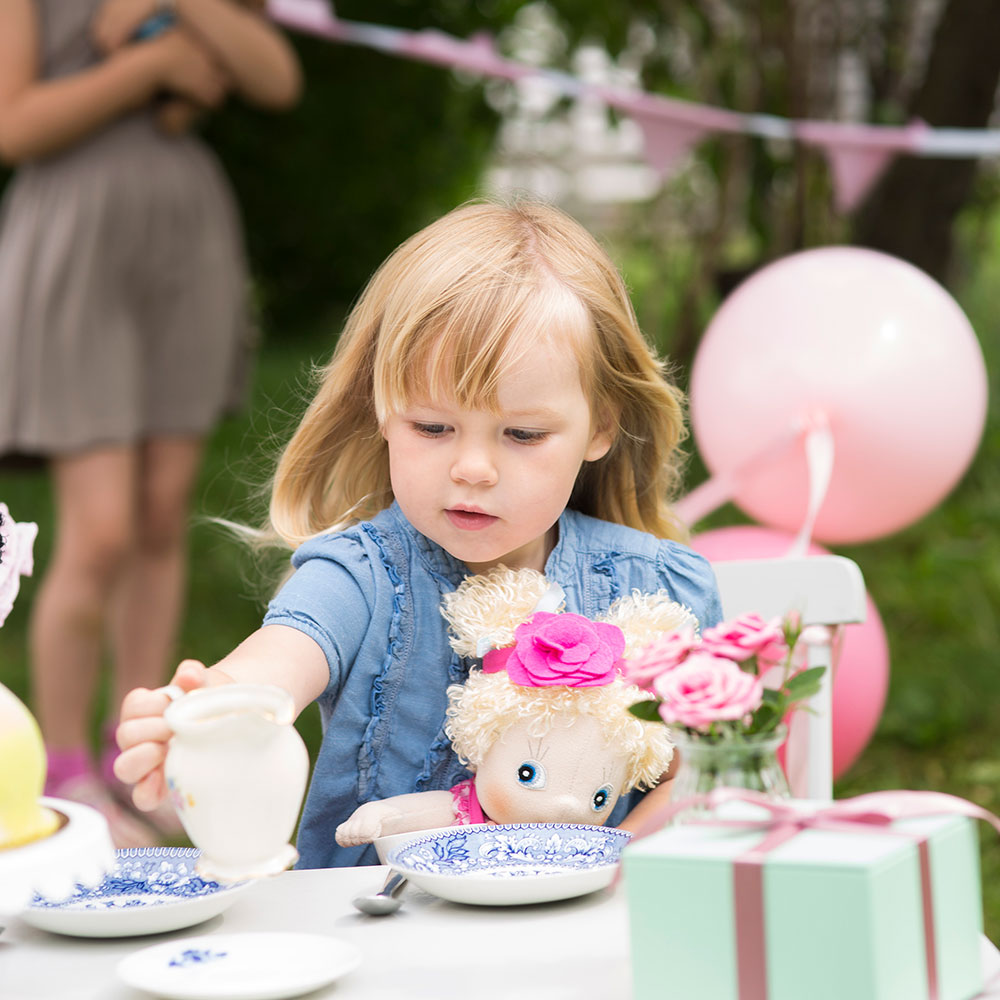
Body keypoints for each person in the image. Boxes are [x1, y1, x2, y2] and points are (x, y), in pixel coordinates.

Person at [114, 200, 724, 868]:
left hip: (591, 937)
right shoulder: (360, 577)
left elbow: (705, 772)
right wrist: (202, 714)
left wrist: (606, 867)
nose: (472, 468)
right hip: (378, 945)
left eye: (522, 434)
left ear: (600, 427)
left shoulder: (655, 590)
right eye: (432, 428)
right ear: (382, 406)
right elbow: (270, 670)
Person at [0, 0, 302, 847]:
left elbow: (273, 78)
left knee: (162, 514)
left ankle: (138, 759)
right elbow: (13, 123)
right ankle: (61, 769)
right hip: (74, 236)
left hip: (183, 233)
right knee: (99, 532)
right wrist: (152, 67)